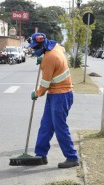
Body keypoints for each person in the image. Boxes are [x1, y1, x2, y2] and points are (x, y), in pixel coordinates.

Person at [27, 32, 79, 168]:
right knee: (46, 125)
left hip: (61, 96)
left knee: (59, 127)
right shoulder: (56, 47)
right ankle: (40, 155)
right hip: (55, 94)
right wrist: (43, 57)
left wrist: (36, 93)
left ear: (42, 45)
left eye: (35, 48)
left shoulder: (49, 58)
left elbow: (44, 85)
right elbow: (61, 49)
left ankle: (72, 157)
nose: (34, 50)